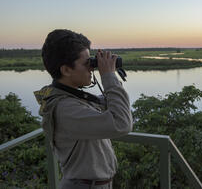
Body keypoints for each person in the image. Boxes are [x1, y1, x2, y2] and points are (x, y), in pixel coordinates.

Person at [34, 29, 133, 189]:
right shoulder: (65, 108)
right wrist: (108, 76)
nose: (91, 68)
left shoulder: (71, 98)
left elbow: (114, 106)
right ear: (66, 70)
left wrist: (111, 77)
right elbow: (122, 123)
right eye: (87, 63)